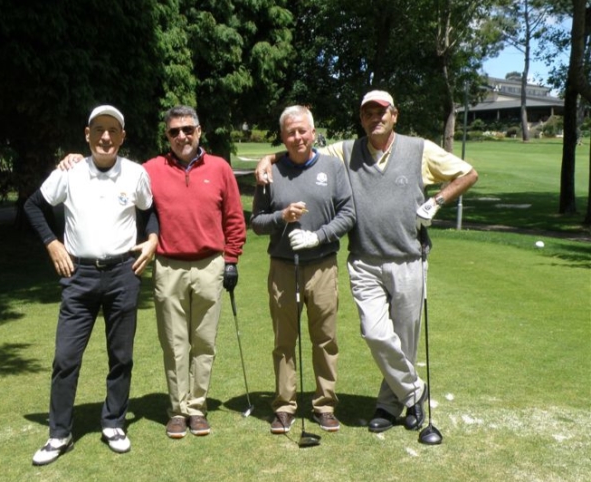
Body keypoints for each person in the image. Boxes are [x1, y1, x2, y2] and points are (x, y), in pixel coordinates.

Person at [255, 90, 478, 434]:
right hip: (364, 261)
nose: (375, 118)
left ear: (395, 114)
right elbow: (299, 149)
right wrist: (267, 159)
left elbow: (467, 173)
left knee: (404, 340)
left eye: (381, 112)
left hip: (409, 258)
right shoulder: (346, 151)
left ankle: (390, 406)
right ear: (361, 119)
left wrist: (437, 201)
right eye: (368, 114)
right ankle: (415, 392)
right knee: (376, 334)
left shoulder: (420, 149)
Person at [58, 105, 246, 439]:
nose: (182, 137)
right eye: (174, 132)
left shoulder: (219, 168)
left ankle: (197, 408)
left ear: (199, 131)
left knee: (203, 342)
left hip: (210, 265)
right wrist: (74, 158)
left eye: (188, 129)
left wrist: (231, 260)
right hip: (168, 265)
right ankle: (177, 410)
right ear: (167, 136)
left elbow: (234, 217)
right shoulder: (150, 170)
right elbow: (112, 165)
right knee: (174, 344)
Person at [25, 105, 158, 465]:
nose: (105, 137)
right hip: (78, 277)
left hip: (122, 275)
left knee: (122, 356)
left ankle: (114, 422)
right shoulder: (69, 172)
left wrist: (152, 238)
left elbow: (150, 209)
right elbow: (33, 206)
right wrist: (52, 243)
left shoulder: (135, 173)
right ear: (87, 134)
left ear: (122, 137)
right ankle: (59, 433)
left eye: (113, 130)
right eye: (99, 129)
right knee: (66, 358)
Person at [251, 105, 354, 434]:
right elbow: (256, 222)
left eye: (302, 131)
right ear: (282, 136)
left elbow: (348, 213)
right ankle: (284, 405)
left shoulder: (333, 168)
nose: (297, 137)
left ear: (313, 133)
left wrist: (318, 236)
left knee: (324, 339)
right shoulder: (270, 172)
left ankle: (324, 405)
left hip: (322, 266)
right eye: (290, 132)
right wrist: (282, 217)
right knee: (284, 341)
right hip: (283, 267)